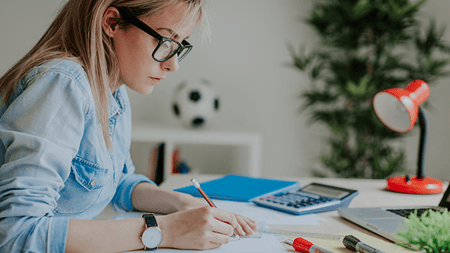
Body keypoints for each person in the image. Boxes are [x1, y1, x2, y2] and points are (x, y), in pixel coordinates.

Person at [0, 0, 258, 252]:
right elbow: (18, 233)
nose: (173, 64)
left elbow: (117, 182)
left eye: (179, 46)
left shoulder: (114, 92)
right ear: (112, 22)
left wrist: (183, 204)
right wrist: (165, 230)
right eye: (165, 41)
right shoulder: (62, 85)